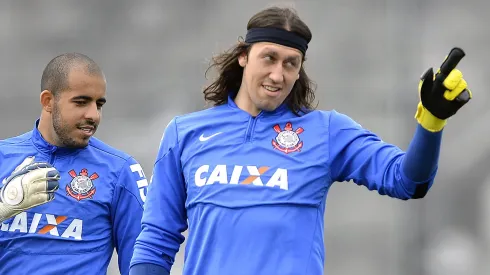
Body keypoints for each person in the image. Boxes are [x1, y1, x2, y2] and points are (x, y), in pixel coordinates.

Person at [130, 6, 472, 275]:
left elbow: (408, 180)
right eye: (269, 58)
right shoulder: (185, 133)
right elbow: (156, 241)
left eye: (291, 63)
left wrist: (431, 121)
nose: (278, 74)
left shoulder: (326, 131)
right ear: (244, 56)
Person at [0, 53, 148, 275]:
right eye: (81, 102)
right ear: (48, 101)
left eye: (99, 104)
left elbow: (143, 263)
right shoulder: (4, 157)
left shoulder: (120, 171)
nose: (94, 115)